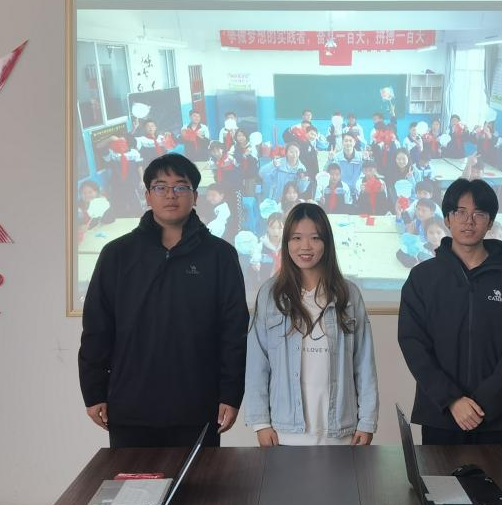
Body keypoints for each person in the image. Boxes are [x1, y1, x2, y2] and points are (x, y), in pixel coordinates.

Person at [79, 153, 249, 448]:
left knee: (200, 480)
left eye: (181, 187)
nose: (171, 195)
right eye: (160, 187)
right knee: (132, 479)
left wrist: (231, 394)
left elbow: (234, 331)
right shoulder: (117, 254)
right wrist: (94, 392)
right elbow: (97, 328)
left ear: (195, 196)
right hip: (130, 405)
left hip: (198, 405)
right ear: (147, 195)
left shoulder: (219, 255)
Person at [398, 178, 502, 446]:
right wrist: (452, 400)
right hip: (441, 417)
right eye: (460, 212)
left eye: (479, 214)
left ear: (490, 222)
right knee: (440, 478)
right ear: (447, 219)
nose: (468, 221)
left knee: (500, 478)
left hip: (497, 420)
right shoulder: (423, 278)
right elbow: (413, 343)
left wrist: (482, 404)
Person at [243, 203, 379, 446]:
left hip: (340, 433)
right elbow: (257, 362)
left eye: (315, 238)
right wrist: (261, 423)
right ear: (286, 243)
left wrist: (367, 421)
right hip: (285, 432)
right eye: (296, 238)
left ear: (326, 243)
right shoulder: (270, 294)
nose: (305, 246)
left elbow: (364, 362)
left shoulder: (348, 294)